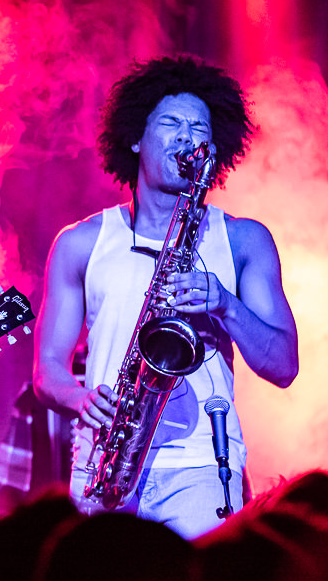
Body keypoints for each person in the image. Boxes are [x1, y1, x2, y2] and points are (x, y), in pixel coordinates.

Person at [33, 56, 298, 540]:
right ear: (135, 137)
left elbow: (283, 365)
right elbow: (46, 369)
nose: (186, 136)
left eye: (199, 127)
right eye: (171, 123)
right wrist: (78, 397)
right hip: (103, 465)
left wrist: (224, 304)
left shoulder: (243, 240)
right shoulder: (80, 242)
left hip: (201, 467)